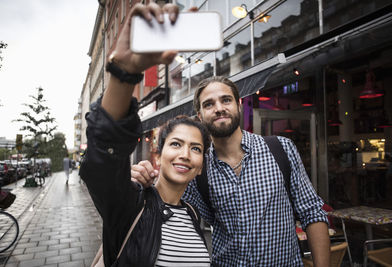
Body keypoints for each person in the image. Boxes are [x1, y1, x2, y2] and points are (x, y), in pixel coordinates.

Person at [132, 75, 331, 266]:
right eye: (209, 104)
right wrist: (143, 179)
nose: (219, 108)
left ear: (238, 105)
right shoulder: (198, 169)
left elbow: (312, 213)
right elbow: (165, 202)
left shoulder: (280, 149)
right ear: (200, 116)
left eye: (226, 100)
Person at [79, 3, 212, 266]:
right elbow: (102, 161)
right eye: (176, 144)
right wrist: (124, 74)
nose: (185, 154)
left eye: (196, 149)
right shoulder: (130, 204)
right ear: (159, 156)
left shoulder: (194, 216)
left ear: (200, 167)